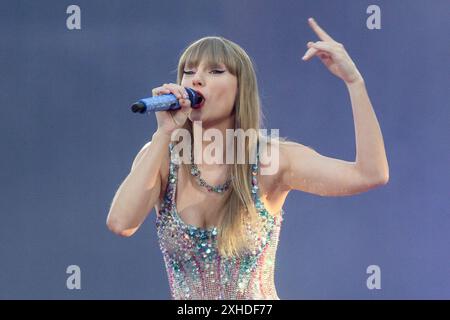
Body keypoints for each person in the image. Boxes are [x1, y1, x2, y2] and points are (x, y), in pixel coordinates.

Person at [106, 17, 389, 300]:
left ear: (241, 89)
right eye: (189, 71)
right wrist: (163, 133)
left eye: (215, 71)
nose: (196, 79)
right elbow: (121, 224)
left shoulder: (270, 159)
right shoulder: (162, 157)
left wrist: (354, 82)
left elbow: (370, 174)